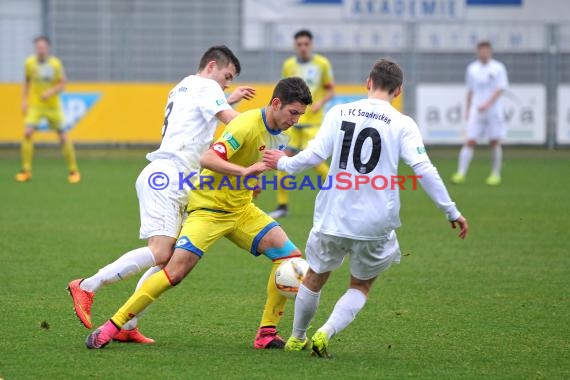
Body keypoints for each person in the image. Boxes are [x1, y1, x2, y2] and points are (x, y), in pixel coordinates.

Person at [85, 77, 313, 350]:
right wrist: (243, 172)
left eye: (300, 114)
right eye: (293, 112)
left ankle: (266, 333)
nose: (296, 120)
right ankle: (112, 326)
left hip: (241, 210)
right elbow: (207, 159)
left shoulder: (282, 133)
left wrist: (252, 182)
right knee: (175, 273)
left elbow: (254, 162)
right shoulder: (245, 125)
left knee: (288, 257)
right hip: (208, 210)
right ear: (276, 103)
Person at [263, 59, 469, 358]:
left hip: (333, 215)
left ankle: (297, 336)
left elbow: (314, 154)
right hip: (374, 222)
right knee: (360, 285)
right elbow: (423, 169)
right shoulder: (402, 123)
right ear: (398, 90)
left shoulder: (339, 112)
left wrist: (283, 163)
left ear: (368, 82)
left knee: (315, 276)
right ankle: (327, 331)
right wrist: (451, 211)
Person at [68, 45, 255, 343]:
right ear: (211, 66)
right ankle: (87, 285)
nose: (227, 83)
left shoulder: (184, 86)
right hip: (168, 177)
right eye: (227, 75)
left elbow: (199, 116)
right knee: (161, 253)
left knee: (167, 263)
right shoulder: (207, 86)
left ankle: (128, 327)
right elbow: (235, 122)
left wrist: (228, 98)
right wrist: (263, 124)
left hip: (176, 178)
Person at [268, 29, 334, 219]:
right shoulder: (289, 65)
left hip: (312, 124)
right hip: (291, 124)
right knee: (281, 160)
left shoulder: (322, 64)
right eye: (299, 44)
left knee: (316, 162)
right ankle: (282, 206)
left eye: (306, 44)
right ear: (295, 46)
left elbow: (330, 90)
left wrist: (319, 103)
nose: (303, 47)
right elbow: (283, 91)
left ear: (311, 45)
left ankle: (338, 197)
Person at [16, 36, 80, 184]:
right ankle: (25, 171)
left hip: (53, 107)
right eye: (38, 47)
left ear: (48, 48)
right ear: (35, 49)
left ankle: (73, 170)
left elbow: (63, 84)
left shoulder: (55, 64)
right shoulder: (29, 63)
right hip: (36, 105)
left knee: (63, 136)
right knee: (27, 133)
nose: (40, 50)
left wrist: (49, 92)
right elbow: (26, 81)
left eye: (43, 47)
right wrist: (24, 100)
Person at [452, 40, 509, 186]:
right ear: (478, 52)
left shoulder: (498, 68)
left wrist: (488, 103)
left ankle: (495, 174)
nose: (484, 53)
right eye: (481, 51)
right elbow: (470, 90)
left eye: (486, 51)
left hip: (493, 110)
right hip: (476, 110)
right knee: (470, 140)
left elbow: (500, 88)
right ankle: (461, 173)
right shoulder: (472, 69)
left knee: (494, 141)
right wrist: (467, 109)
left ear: (490, 52)